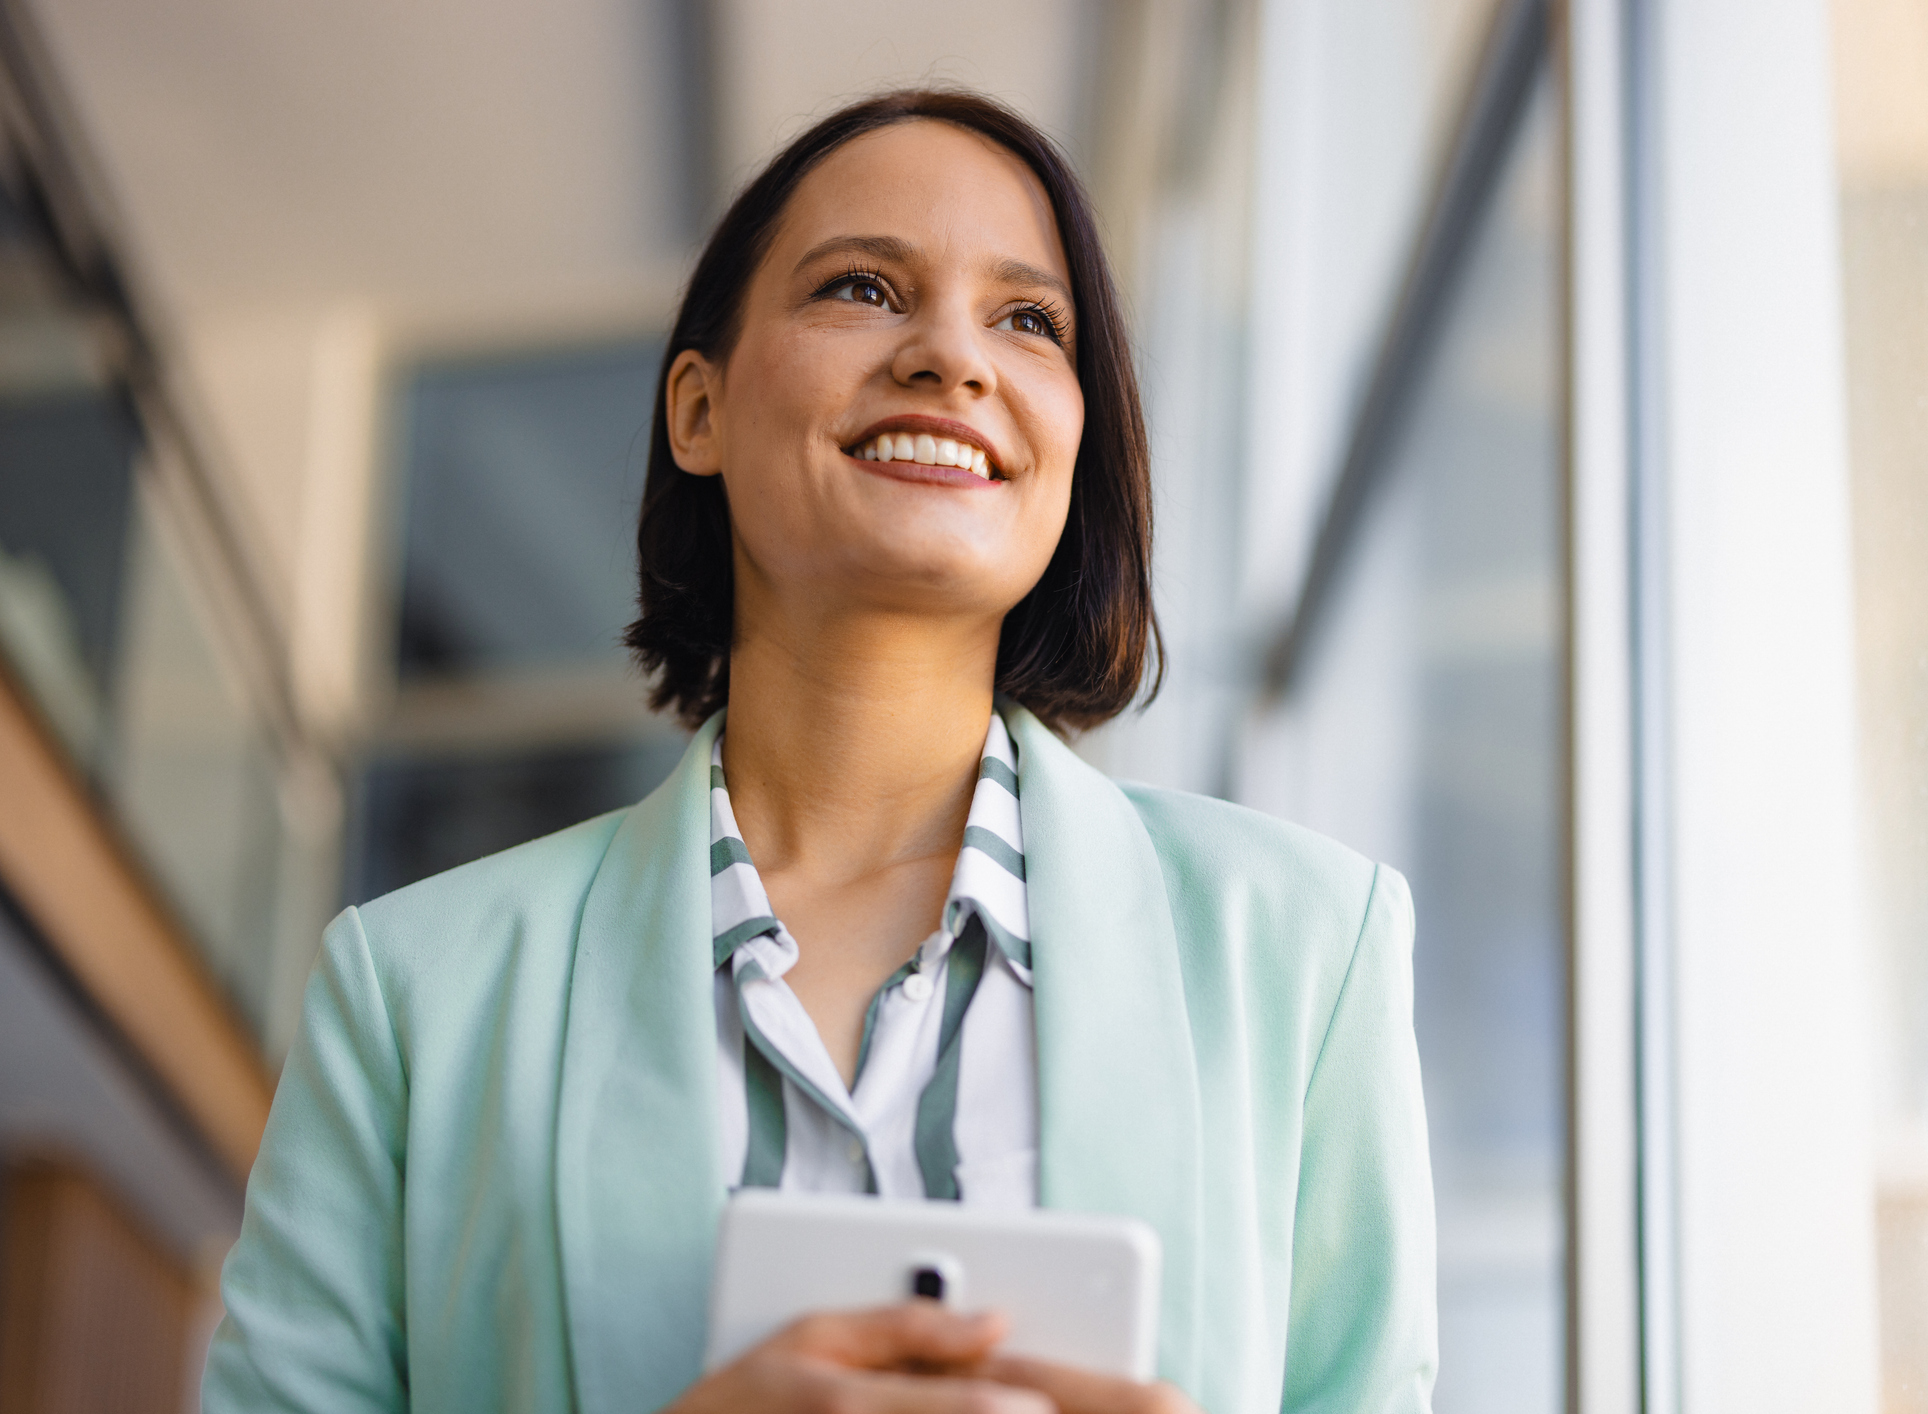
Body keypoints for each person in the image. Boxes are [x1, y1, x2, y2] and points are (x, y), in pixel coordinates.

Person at [201, 89, 1436, 1414]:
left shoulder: (1306, 950)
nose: (953, 358)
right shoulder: (414, 1000)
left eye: (1030, 319)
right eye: (862, 288)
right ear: (699, 409)